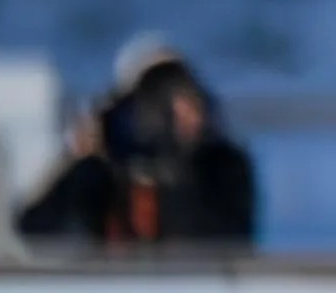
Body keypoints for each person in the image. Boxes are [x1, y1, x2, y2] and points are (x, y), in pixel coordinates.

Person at [19, 39, 261, 251]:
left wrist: (180, 166)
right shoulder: (102, 173)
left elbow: (226, 240)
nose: (164, 117)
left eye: (179, 95)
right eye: (154, 101)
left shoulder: (223, 166)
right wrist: (78, 162)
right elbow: (35, 232)